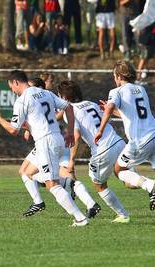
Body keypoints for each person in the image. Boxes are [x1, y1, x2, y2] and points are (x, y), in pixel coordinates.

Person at [0, 70, 89, 226]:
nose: (12, 91)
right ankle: (67, 187)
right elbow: (68, 107)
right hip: (57, 137)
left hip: (45, 142)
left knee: (52, 184)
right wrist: (70, 132)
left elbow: (13, 130)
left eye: (11, 87)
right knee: (35, 174)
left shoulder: (22, 100)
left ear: (16, 82)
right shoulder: (44, 93)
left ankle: (80, 217)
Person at [18, 77, 100, 219]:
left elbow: (52, 118)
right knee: (56, 175)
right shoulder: (51, 98)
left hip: (49, 142)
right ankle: (91, 203)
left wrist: (28, 127)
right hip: (60, 141)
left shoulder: (39, 100)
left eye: (31, 87)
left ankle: (39, 201)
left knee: (27, 173)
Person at [57, 80, 130, 223]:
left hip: (103, 150)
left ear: (64, 98)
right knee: (128, 180)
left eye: (59, 96)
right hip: (119, 142)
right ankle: (149, 185)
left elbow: (76, 136)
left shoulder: (69, 110)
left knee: (99, 184)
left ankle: (123, 215)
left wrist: (71, 161)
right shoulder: (91, 104)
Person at [94, 60, 155, 212]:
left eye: (115, 76)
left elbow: (109, 109)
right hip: (153, 133)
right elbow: (132, 115)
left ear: (119, 76)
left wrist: (100, 130)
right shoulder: (140, 89)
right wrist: (112, 110)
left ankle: (151, 186)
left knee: (119, 170)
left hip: (140, 140)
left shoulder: (116, 92)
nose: (114, 79)